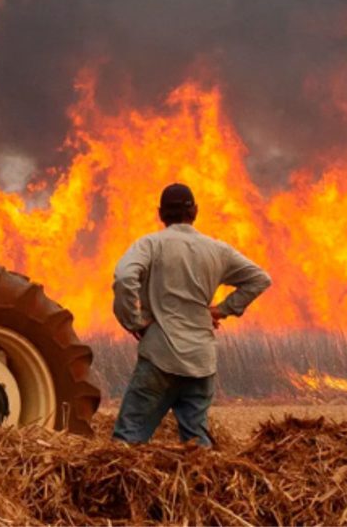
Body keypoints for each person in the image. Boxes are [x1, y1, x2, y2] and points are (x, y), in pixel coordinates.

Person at [111, 182, 271, 447]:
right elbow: (260, 279)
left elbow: (125, 277)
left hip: (160, 357)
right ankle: (203, 488)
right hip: (201, 362)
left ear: (160, 213)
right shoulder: (217, 250)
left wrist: (133, 321)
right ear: (195, 211)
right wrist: (223, 309)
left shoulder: (150, 244)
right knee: (198, 451)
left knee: (126, 443)